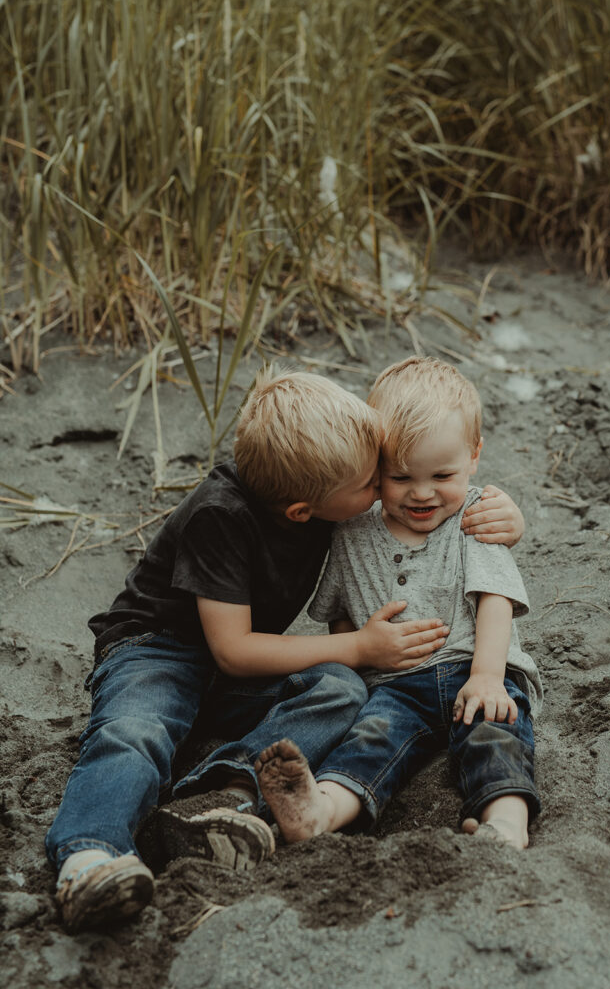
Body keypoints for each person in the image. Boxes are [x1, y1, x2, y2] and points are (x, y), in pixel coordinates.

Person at [46, 367, 524, 934]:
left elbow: (430, 487)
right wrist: (362, 644)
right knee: (136, 731)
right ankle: (89, 857)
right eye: (375, 482)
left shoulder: (324, 496)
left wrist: (507, 516)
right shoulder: (220, 515)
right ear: (306, 510)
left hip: (240, 668)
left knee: (339, 687)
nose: (384, 493)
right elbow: (233, 653)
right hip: (160, 650)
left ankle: (226, 795)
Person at [254, 356, 543, 851]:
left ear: (474, 455)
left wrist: (488, 677)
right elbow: (341, 613)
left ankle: (506, 826)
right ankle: (320, 809)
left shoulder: (478, 515)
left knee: (494, 734)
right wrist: (365, 673)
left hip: (471, 667)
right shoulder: (352, 529)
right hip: (395, 685)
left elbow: (495, 600)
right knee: (369, 741)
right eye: (401, 477)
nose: (423, 493)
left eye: (442, 474)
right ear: (375, 467)